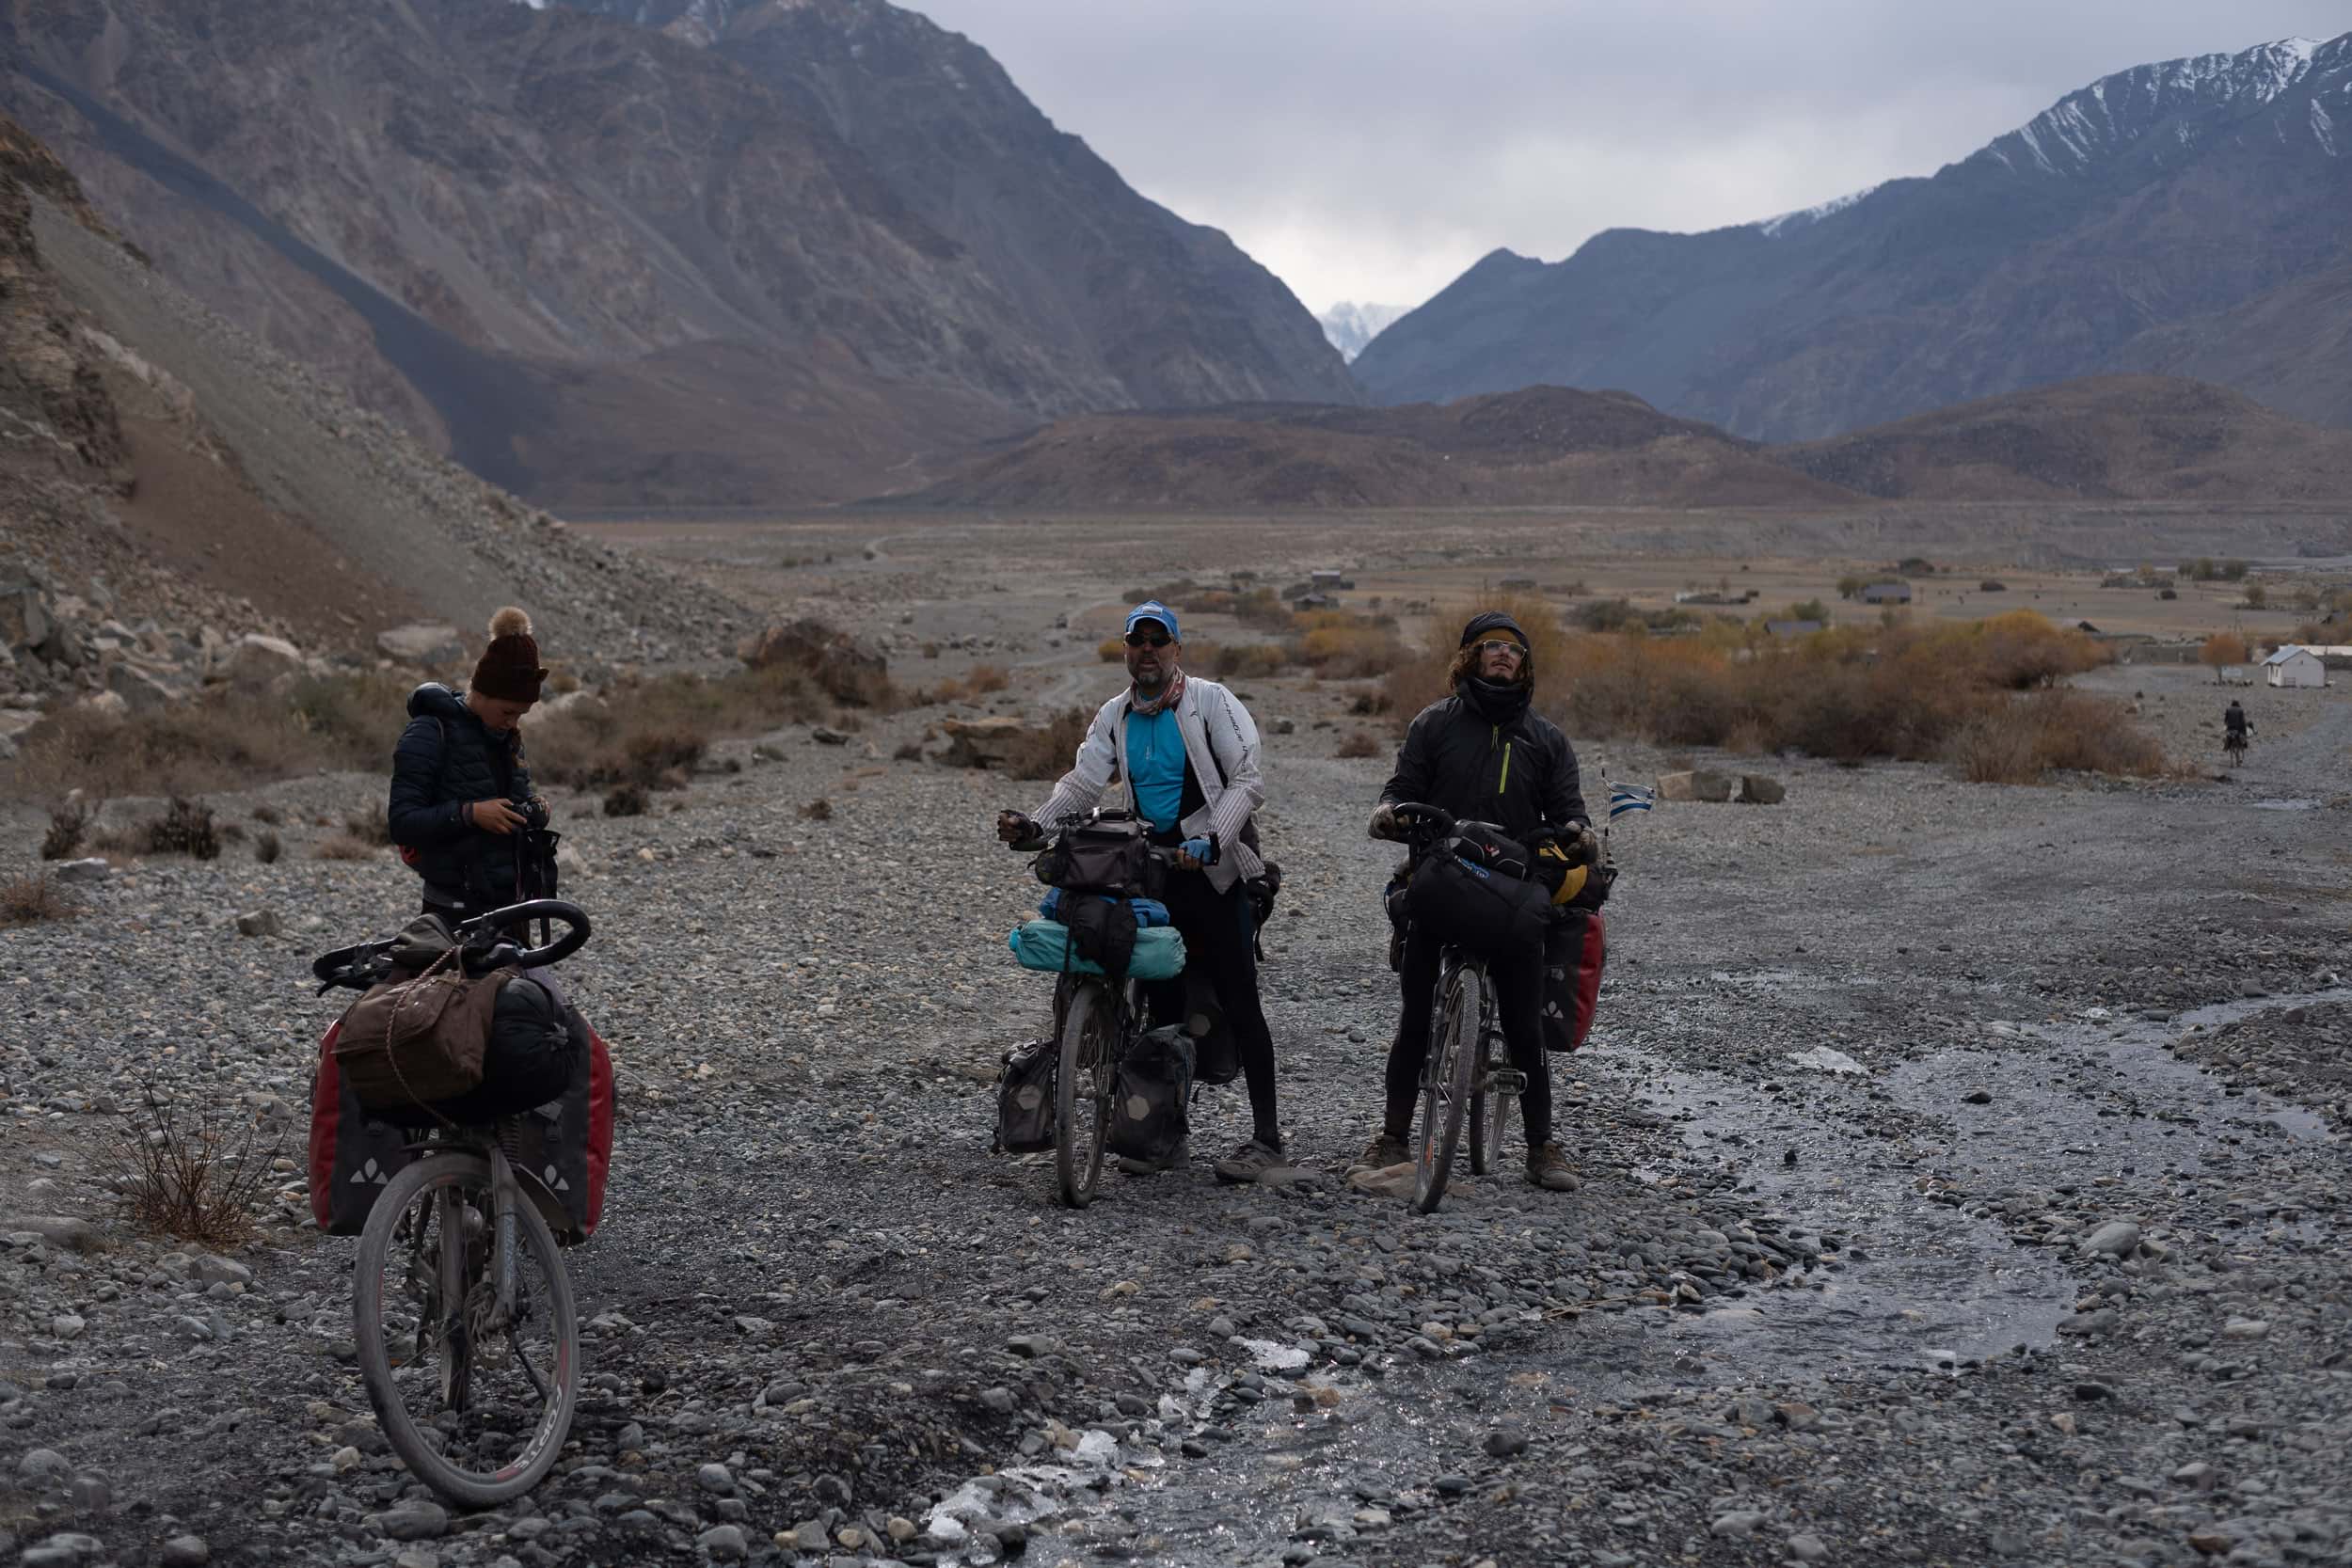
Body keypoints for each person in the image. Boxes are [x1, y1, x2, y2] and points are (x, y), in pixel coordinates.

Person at [996, 600, 1289, 1183]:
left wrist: (1212, 837)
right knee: (1165, 1003)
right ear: (1127, 651)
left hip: (1212, 870)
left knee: (1238, 998)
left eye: (1159, 640)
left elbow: (1247, 780)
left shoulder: (1211, 702)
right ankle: (1162, 1134)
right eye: (1138, 640)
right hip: (1150, 872)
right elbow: (1084, 781)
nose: (1148, 649)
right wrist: (1038, 823)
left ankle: (1267, 1138)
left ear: (1177, 650)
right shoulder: (1116, 714)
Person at [1363, 610, 1595, 1192]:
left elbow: (1571, 808)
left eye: (1513, 650)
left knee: (1524, 1023)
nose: (1502, 655)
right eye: (1490, 647)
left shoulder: (1546, 739)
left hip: (1513, 885)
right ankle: (1393, 1134)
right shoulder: (1433, 725)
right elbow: (1401, 789)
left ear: (1525, 664)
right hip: (1441, 877)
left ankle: (1541, 1146)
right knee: (1416, 1014)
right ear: (1469, 658)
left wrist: (1576, 831)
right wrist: (1389, 812)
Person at [389, 607, 553, 925]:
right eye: (507, 712)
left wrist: (532, 810)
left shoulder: (505, 738)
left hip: (509, 905)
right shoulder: (428, 733)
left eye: (520, 714)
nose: (512, 722)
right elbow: (401, 822)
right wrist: (471, 814)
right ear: (482, 693)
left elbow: (512, 803)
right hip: (451, 911)